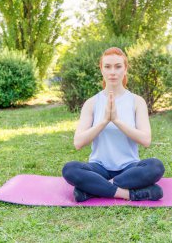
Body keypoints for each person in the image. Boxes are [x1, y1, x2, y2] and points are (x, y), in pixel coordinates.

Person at [62, 47, 165, 202]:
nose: (113, 72)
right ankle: (127, 194)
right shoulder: (92, 103)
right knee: (70, 169)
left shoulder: (137, 101)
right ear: (101, 69)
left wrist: (116, 120)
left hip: (130, 168)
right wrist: (104, 121)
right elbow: (78, 143)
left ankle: (93, 190)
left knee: (155, 166)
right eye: (107, 67)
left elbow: (146, 140)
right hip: (99, 168)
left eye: (118, 66)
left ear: (125, 69)